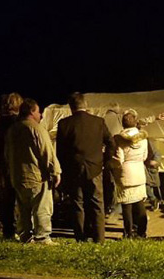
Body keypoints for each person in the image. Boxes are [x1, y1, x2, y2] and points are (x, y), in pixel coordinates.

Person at [55, 92, 114, 243]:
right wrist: (104, 161)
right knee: (97, 204)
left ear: (71, 107)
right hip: (95, 168)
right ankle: (99, 238)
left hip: (73, 170)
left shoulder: (64, 124)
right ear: (85, 105)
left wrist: (65, 167)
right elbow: (111, 143)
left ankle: (80, 238)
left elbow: (60, 151)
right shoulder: (98, 122)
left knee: (77, 204)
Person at [6, 98, 61, 244]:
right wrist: (55, 171)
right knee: (41, 206)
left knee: (22, 208)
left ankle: (24, 235)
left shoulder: (13, 129)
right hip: (36, 175)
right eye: (38, 111)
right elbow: (47, 151)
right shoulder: (36, 129)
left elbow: (7, 153)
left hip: (17, 175)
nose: (41, 115)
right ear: (31, 111)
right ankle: (42, 236)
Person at [109, 110, 150, 238]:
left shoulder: (119, 139)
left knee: (126, 205)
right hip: (139, 172)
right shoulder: (143, 138)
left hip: (125, 174)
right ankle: (142, 232)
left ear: (123, 124)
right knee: (139, 203)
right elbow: (145, 156)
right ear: (135, 122)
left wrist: (111, 164)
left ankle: (128, 233)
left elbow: (119, 159)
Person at [0, 92, 23, 239]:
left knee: (4, 198)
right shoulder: (18, 123)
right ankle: (17, 228)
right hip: (14, 163)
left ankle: (6, 229)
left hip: (0, 163)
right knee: (17, 197)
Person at [141, 120, 162, 211]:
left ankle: (153, 200)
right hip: (141, 165)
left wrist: (155, 161)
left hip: (147, 166)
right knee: (146, 185)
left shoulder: (148, 142)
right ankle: (153, 199)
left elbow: (156, 153)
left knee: (147, 185)